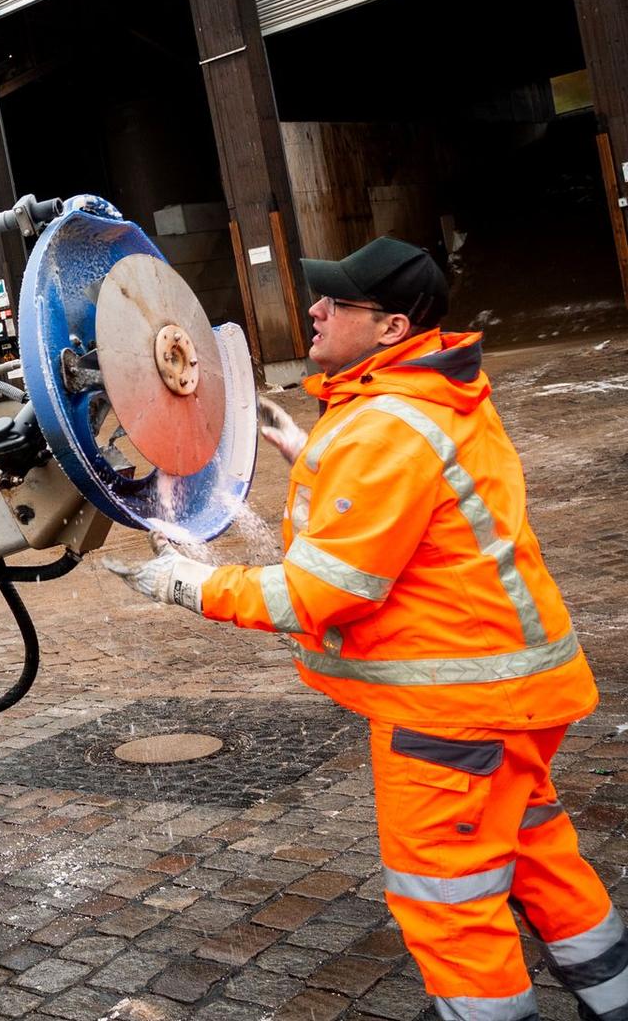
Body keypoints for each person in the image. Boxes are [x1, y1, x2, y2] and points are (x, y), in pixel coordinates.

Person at [107, 236, 620, 1021]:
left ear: (389, 329)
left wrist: (192, 584)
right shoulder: (433, 397)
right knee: (538, 859)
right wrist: (308, 450)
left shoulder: (384, 427)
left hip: (450, 719)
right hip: (514, 699)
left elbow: (325, 593)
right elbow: (412, 509)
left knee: (450, 907)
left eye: (337, 302)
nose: (313, 308)